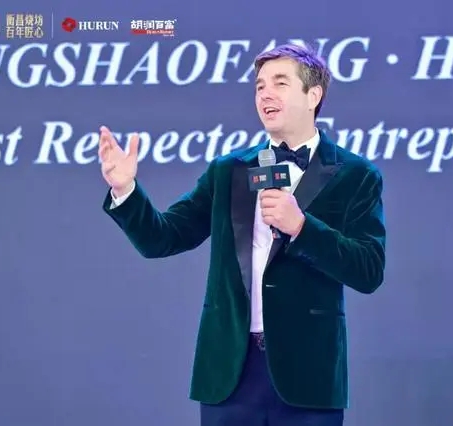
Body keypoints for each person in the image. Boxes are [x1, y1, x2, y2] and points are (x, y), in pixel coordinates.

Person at [98, 43, 386, 426]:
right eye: (259, 86)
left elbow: (368, 269)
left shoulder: (356, 175)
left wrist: (302, 227)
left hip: (309, 374)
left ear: (313, 95)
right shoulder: (228, 170)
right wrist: (125, 190)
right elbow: (162, 238)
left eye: (280, 83)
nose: (265, 94)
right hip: (230, 373)